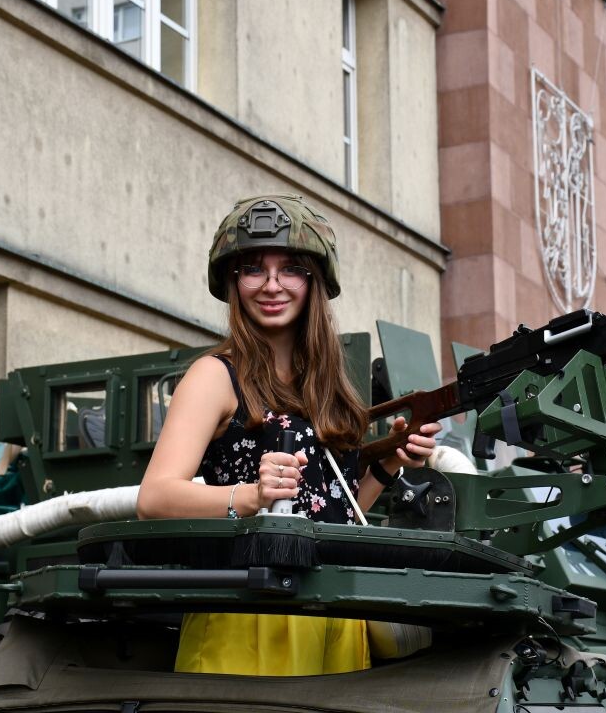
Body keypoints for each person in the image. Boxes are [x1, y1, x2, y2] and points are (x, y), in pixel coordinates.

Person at [137, 194, 439, 676]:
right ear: (233, 281)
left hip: (337, 611)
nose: (272, 285)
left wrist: (390, 462)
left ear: (314, 281)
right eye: (253, 269)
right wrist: (253, 496)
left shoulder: (328, 388)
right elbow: (154, 498)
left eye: (291, 269)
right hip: (251, 611)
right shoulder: (214, 375)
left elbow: (335, 510)